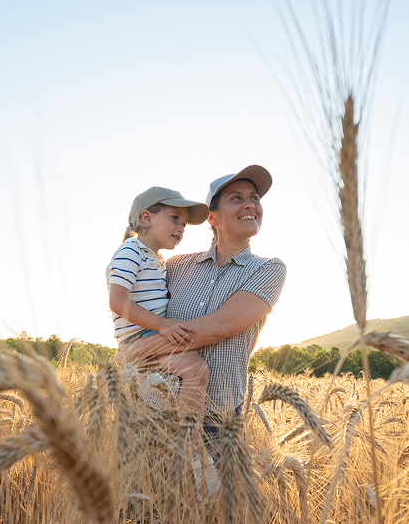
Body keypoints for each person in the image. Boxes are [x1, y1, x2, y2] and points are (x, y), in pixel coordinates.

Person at [122, 165, 286, 457]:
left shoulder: (268, 269)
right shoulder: (173, 265)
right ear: (212, 218)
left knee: (210, 502)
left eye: (255, 198)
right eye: (236, 198)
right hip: (153, 408)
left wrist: (136, 351)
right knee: (146, 500)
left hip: (217, 423)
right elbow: (134, 301)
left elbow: (220, 326)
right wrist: (126, 344)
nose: (250, 204)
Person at [106, 186, 211, 420]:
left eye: (184, 224)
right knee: (196, 369)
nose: (181, 228)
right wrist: (162, 325)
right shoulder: (131, 251)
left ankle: (177, 441)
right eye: (175, 218)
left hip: (148, 336)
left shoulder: (158, 260)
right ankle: (188, 447)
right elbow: (117, 300)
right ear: (146, 217)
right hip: (140, 337)